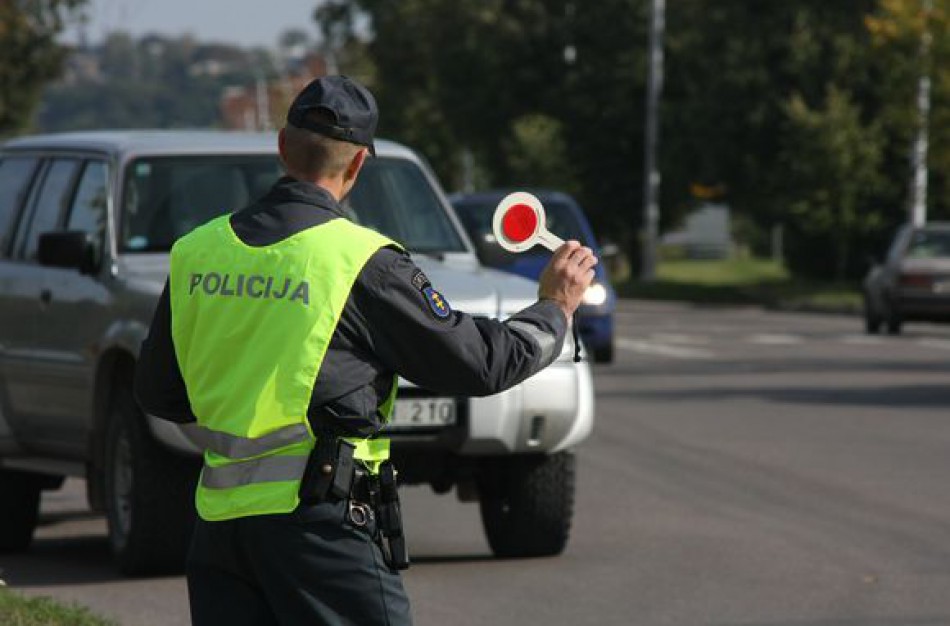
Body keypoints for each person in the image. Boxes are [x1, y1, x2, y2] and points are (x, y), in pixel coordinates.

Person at [134, 74, 597, 626]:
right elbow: (481, 361)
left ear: (282, 147)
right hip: (321, 527)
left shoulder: (196, 251)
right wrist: (553, 308)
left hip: (220, 531)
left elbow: (159, 392)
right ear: (357, 167)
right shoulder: (359, 260)